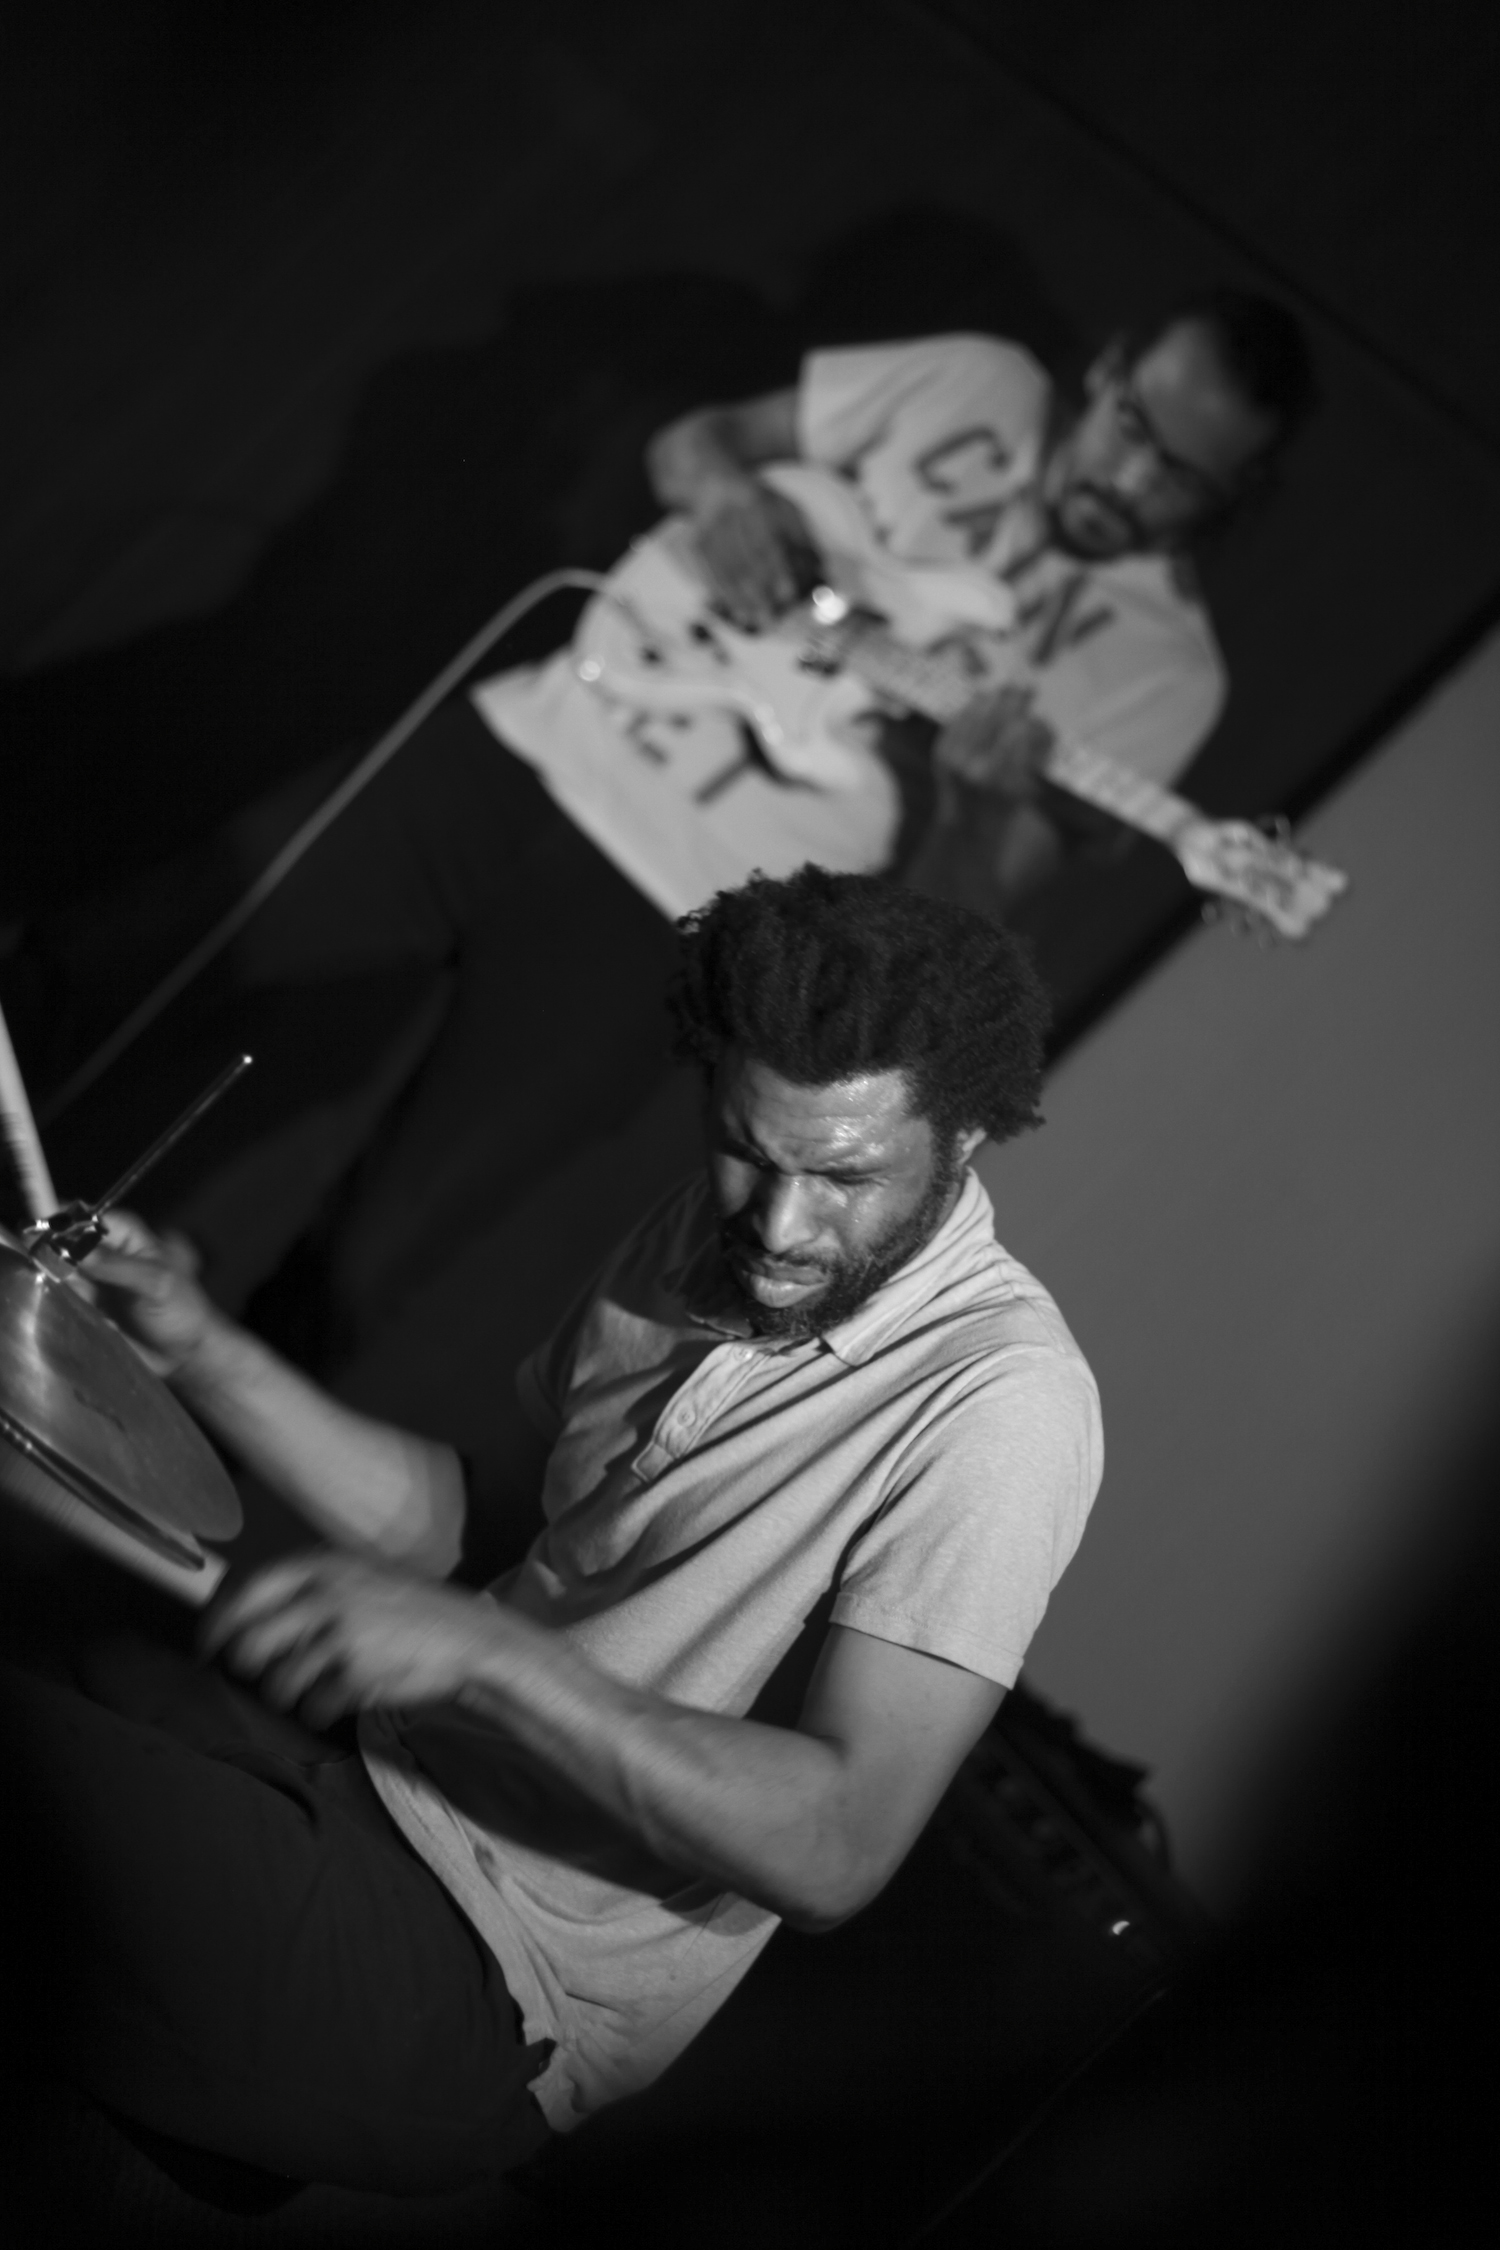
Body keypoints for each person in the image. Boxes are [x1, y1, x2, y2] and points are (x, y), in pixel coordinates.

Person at [2, 867, 1101, 2199]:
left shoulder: (1002, 1403)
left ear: (967, 1137)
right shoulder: (697, 1234)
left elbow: (840, 1844)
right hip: (363, 1789)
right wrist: (202, 1353)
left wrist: (487, 1658)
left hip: (491, 1976)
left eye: (844, 1175)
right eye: (748, 1148)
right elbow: (478, 1524)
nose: (779, 1221)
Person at [15, 285, 1313, 1341]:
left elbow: (962, 907)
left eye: (1180, 477)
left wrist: (973, 807)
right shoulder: (978, 381)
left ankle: (132, 1523)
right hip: (539, 742)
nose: (1128, 478)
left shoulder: (1163, 669)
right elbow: (695, 446)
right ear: (1107, 369)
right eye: (1131, 424)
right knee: (138, 948)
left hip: (683, 922)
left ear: (1237, 498)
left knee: (372, 1254)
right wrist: (731, 502)